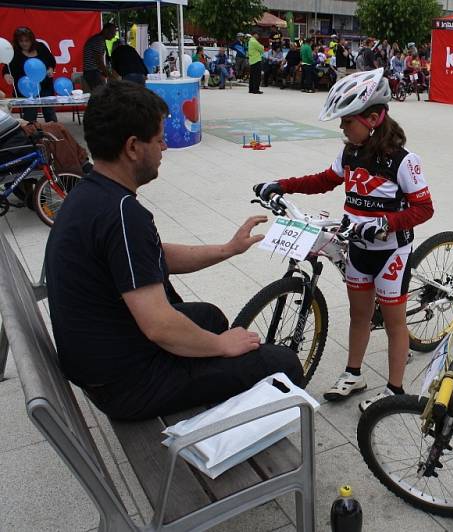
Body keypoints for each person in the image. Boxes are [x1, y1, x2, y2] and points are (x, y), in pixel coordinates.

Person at [44, 81, 303, 421]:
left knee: (209, 316)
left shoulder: (91, 192)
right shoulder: (122, 214)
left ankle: (219, 395)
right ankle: (242, 451)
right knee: (283, 364)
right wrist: (223, 346)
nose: (165, 146)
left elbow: (152, 256)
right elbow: (160, 327)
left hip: (101, 361)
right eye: (159, 138)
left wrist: (227, 249)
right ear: (133, 147)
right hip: (127, 384)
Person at [254, 69, 434, 411]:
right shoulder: (350, 151)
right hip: (358, 249)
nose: (341, 128)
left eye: (346, 121)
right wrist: (282, 184)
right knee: (358, 316)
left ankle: (395, 391)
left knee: (395, 324)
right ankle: (354, 374)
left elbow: (424, 209)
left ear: (374, 118)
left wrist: (385, 222)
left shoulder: (404, 161)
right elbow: (324, 180)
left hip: (391, 251)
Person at [2, 26, 57, 122]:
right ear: (17, 41)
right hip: (26, 88)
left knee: (49, 112)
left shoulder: (41, 47)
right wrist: (6, 75)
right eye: (21, 41)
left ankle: (55, 132)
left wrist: (50, 69)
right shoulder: (15, 52)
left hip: (45, 86)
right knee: (30, 114)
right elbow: (7, 67)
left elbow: (51, 61)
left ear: (32, 40)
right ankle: (31, 135)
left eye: (27, 40)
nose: (24, 43)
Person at [83, 23, 116, 91]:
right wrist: (109, 75)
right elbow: (98, 61)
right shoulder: (98, 40)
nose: (114, 35)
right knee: (101, 94)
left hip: (92, 72)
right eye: (112, 32)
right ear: (106, 30)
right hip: (92, 72)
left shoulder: (98, 39)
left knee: (100, 94)